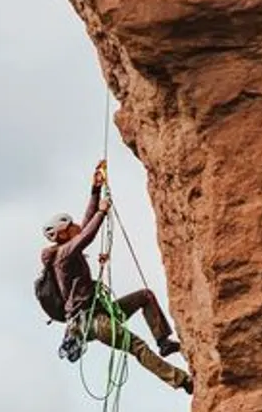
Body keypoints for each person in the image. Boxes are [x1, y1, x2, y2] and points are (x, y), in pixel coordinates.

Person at [39, 162, 193, 394]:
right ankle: (181, 380)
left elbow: (84, 227)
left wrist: (95, 190)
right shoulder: (64, 254)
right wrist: (102, 211)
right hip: (92, 321)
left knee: (145, 296)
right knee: (138, 347)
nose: (77, 226)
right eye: (71, 226)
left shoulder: (66, 251)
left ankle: (163, 341)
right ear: (62, 233)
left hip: (97, 314)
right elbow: (88, 234)